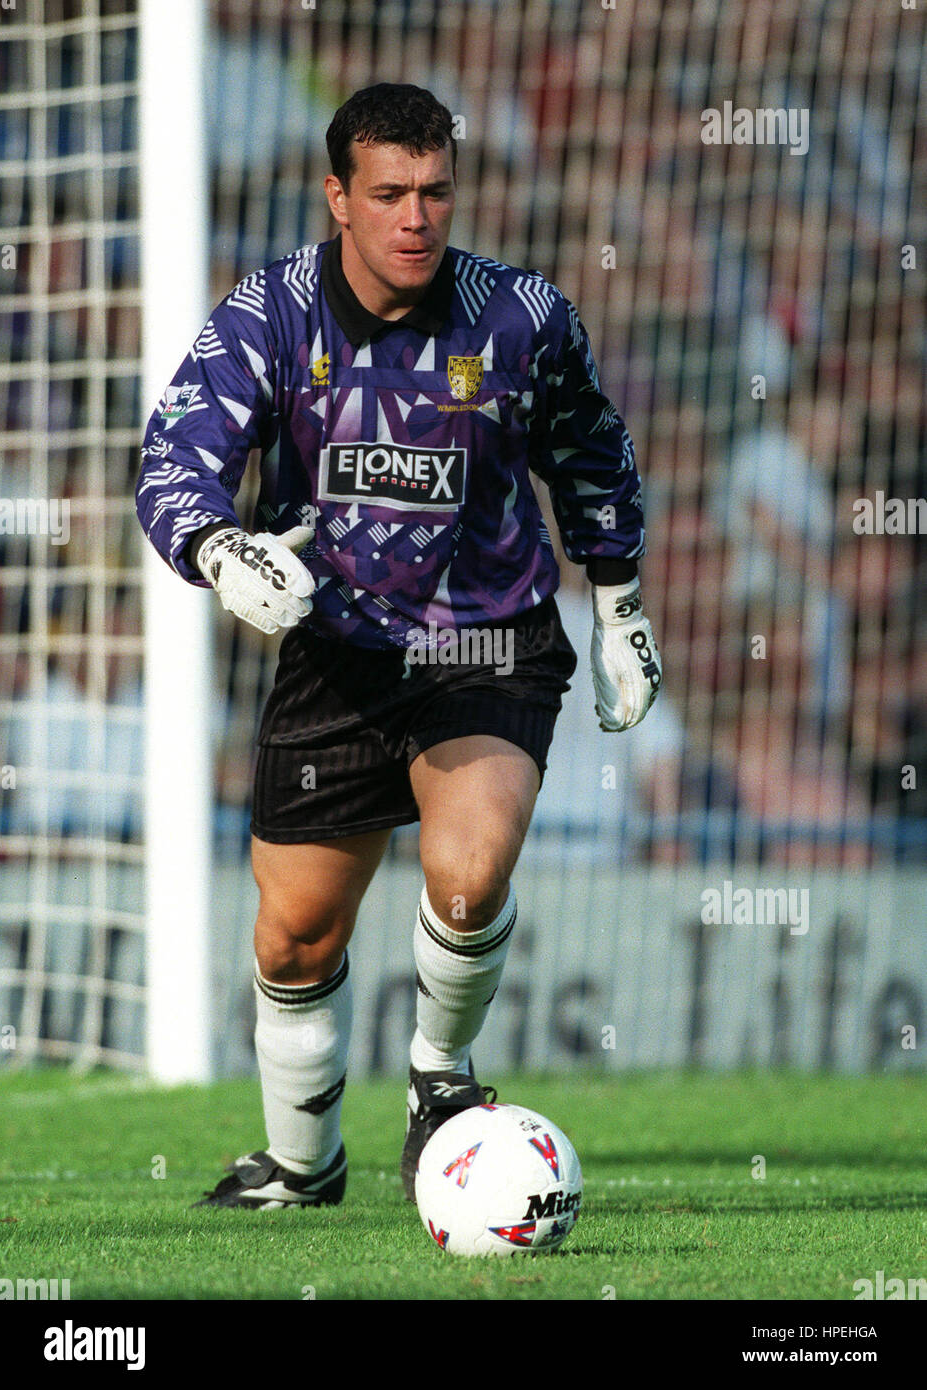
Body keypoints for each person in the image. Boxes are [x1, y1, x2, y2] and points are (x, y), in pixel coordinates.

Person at [135, 83, 661, 1212]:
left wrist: (618, 607)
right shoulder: (268, 314)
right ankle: (301, 1162)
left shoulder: (520, 316)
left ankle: (438, 1077)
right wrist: (222, 551)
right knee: (294, 940)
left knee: (467, 881)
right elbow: (172, 460)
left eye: (435, 192)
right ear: (339, 198)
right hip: (338, 653)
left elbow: (593, 453)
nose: (416, 216)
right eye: (390, 194)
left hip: (487, 643)